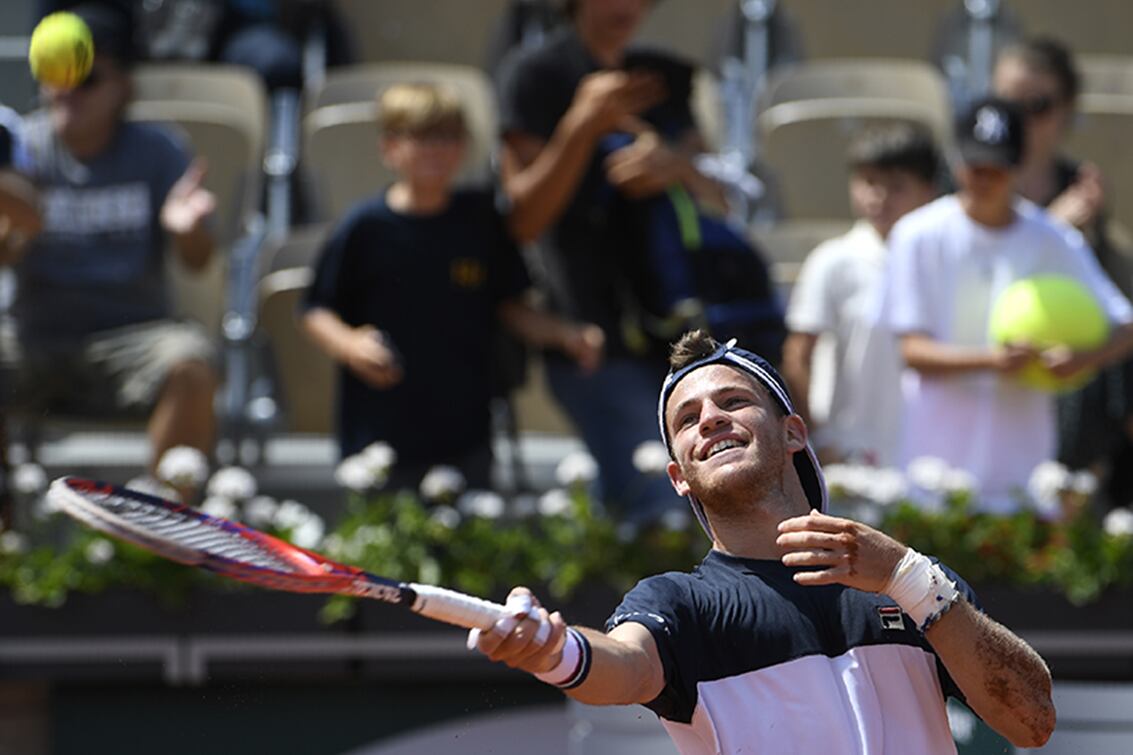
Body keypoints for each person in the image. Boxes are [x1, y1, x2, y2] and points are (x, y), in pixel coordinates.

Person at [472, 329, 1056, 753]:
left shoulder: (910, 580)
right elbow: (626, 665)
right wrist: (555, 652)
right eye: (687, 419)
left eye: (733, 402)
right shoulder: (678, 602)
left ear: (794, 433)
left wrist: (908, 579)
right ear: (678, 477)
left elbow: (1032, 722)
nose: (710, 419)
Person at [301, 82, 603, 491]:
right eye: (422, 138)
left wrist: (564, 333)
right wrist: (350, 344)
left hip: (465, 428)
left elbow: (509, 306)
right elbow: (316, 309)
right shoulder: (364, 228)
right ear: (390, 147)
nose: (436, 151)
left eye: (448, 137)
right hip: (380, 431)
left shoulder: (480, 220)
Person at [494, 0, 729, 521]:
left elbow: (723, 202)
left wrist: (675, 166)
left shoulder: (663, 75)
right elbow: (522, 219)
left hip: (678, 331)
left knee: (665, 510)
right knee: (662, 509)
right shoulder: (537, 74)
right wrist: (582, 125)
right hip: (588, 332)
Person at [0, 2, 219, 491]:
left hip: (132, 337)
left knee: (191, 364)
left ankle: (166, 521)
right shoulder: (22, 145)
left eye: (87, 79)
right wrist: (15, 229)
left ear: (124, 87)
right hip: (35, 334)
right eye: (55, 76)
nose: (67, 91)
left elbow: (199, 260)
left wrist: (187, 230)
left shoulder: (159, 150)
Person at [880, 96, 1133, 512]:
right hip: (930, 467)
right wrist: (993, 361)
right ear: (957, 163)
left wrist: (1081, 359)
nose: (983, 179)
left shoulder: (1051, 237)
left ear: (1017, 167)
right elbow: (912, 352)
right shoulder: (916, 235)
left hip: (1023, 473)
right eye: (974, 165)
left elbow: (1124, 325)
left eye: (995, 168)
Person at [992, 36, 1133, 508]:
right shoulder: (965, 182)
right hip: (989, 389)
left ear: (1067, 111)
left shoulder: (1084, 190)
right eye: (1006, 105)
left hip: (1070, 401)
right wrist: (1054, 228)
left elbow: (1113, 310)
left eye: (1037, 106)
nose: (1019, 120)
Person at [782, 123, 940, 466]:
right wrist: (820, 438)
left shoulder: (945, 261)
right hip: (850, 452)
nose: (879, 196)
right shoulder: (832, 261)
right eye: (868, 182)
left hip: (933, 451)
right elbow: (797, 356)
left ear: (928, 190)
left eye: (897, 186)